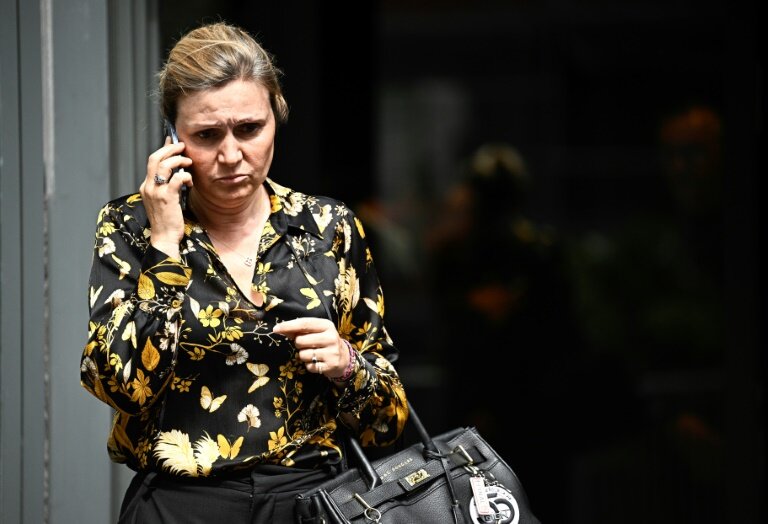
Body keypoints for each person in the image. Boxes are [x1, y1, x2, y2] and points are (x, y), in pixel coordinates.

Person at [80, 21, 408, 523]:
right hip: (180, 504)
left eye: (250, 129)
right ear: (172, 136)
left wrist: (347, 364)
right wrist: (166, 246)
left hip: (311, 500)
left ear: (276, 114)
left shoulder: (326, 228)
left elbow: (387, 423)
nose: (231, 155)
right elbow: (121, 386)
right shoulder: (131, 226)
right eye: (207, 135)